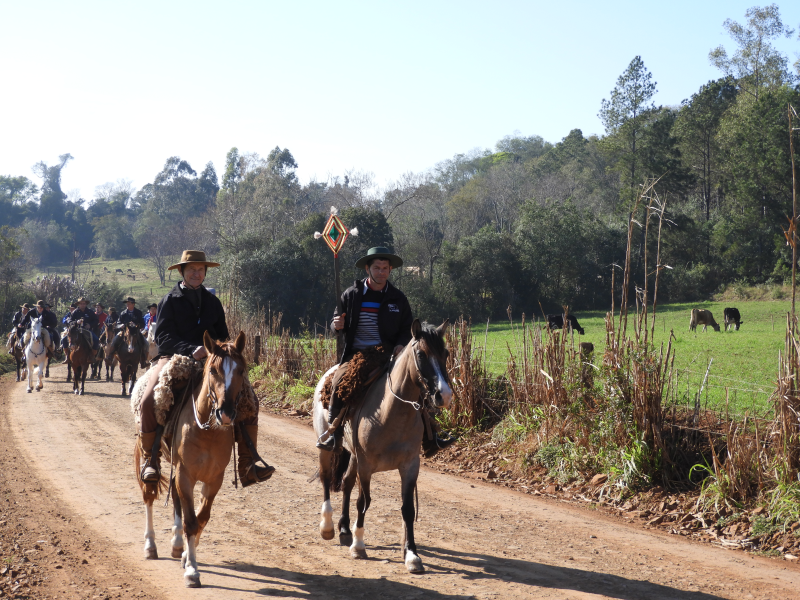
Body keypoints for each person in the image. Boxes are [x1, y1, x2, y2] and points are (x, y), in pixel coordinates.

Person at [138, 250, 274, 487]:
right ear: (182, 271)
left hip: (213, 360)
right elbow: (163, 338)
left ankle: (247, 463)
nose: (196, 274)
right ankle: (150, 460)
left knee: (249, 400)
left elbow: (222, 335)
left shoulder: (213, 302)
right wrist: (191, 349)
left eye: (200, 270)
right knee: (149, 400)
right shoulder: (169, 301)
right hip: (174, 358)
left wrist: (223, 350)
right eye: (191, 269)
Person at [316, 246, 455, 457]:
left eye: (385, 268)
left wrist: (401, 344)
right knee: (338, 382)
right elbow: (336, 324)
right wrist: (336, 325)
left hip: (389, 355)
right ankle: (333, 435)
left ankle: (430, 438)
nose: (381, 272)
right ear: (367, 269)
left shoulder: (398, 298)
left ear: (390, 270)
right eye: (377, 268)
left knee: (419, 386)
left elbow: (408, 329)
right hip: (356, 354)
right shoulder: (350, 295)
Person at [109, 297, 148, 368]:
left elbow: (142, 323)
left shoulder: (138, 312)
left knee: (146, 343)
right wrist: (121, 325)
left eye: (129, 304)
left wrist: (137, 325)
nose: (127, 305)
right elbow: (118, 323)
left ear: (133, 304)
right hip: (124, 332)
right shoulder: (123, 313)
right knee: (114, 341)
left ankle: (143, 361)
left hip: (136, 332)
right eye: (127, 304)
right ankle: (110, 357)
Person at [62, 298, 101, 362]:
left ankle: (92, 355)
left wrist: (90, 325)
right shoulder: (75, 312)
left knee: (96, 340)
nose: (82, 305)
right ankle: (67, 356)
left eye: (84, 304)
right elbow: (69, 321)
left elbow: (96, 320)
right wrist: (76, 322)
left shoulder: (90, 312)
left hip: (87, 330)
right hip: (76, 330)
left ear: (86, 304)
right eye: (81, 304)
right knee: (64, 340)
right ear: (78, 304)